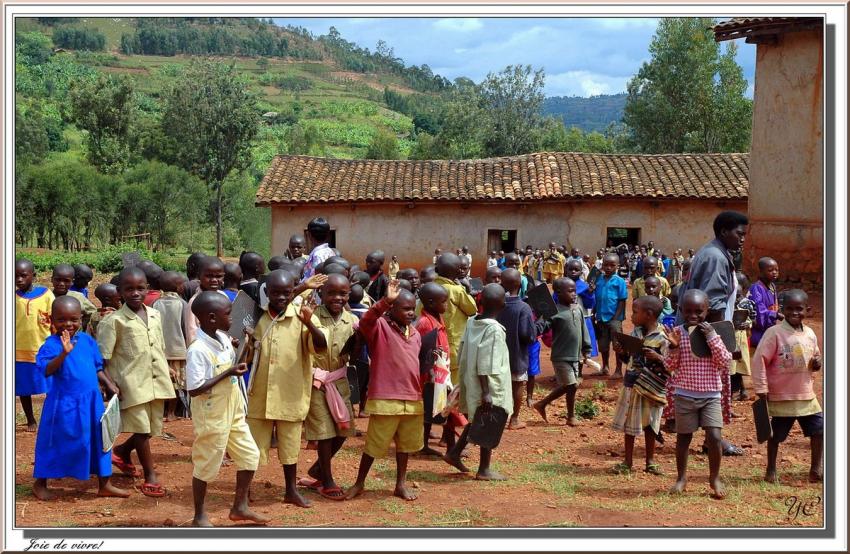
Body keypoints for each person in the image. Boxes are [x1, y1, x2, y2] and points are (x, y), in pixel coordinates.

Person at [31, 296, 129, 501]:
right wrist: (63, 354)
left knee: (99, 439)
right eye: (62, 320)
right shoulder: (51, 344)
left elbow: (97, 367)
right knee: (54, 441)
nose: (68, 324)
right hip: (64, 404)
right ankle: (40, 482)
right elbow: (47, 370)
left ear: (81, 319)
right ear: (51, 319)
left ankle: (105, 483)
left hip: (91, 402)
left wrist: (110, 385)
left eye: (73, 319)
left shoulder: (86, 340)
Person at [185, 292, 268, 527]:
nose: (232, 318)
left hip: (233, 407)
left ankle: (240, 507)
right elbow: (194, 388)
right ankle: (199, 515)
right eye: (228, 314)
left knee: (250, 455)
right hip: (212, 412)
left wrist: (244, 346)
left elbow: (235, 364)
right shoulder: (198, 349)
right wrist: (228, 372)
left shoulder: (222, 338)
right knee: (207, 461)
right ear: (211, 318)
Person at [245, 269, 327, 508]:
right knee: (252, 446)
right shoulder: (257, 317)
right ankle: (245, 489)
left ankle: (290, 490)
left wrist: (310, 323)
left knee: (290, 446)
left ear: (293, 292)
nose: (281, 297)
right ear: (266, 293)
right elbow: (248, 352)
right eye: (275, 293)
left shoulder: (303, 315)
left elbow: (319, 347)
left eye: (286, 293)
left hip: (290, 393)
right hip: (259, 394)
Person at [97, 267, 176, 498]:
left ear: (148, 289)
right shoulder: (114, 321)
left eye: (140, 288)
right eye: (129, 289)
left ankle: (121, 451)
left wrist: (167, 367)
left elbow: (158, 345)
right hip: (131, 384)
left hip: (157, 379)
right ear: (120, 292)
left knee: (152, 428)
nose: (135, 293)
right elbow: (102, 359)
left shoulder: (154, 314)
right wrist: (109, 384)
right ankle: (150, 476)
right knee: (142, 429)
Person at [345, 281, 423, 501]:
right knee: (374, 445)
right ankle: (359, 483)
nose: (410, 313)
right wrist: (385, 300)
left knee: (405, 446)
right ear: (391, 309)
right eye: (405, 309)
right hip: (386, 398)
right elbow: (367, 320)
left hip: (412, 397)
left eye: (412, 309)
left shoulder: (415, 334)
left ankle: (400, 484)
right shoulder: (379, 327)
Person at [664, 290, 733, 499]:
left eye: (699, 311)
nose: (693, 316)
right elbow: (669, 365)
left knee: (714, 435)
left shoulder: (714, 333)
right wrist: (674, 347)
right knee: (684, 437)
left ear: (707, 311)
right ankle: (682, 478)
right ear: (681, 310)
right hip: (684, 395)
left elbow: (725, 361)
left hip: (711, 394)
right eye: (688, 311)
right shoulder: (676, 333)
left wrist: (711, 337)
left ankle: (714, 478)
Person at [751, 289, 823, 484]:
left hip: (806, 395)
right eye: (789, 309)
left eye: (799, 309)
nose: (794, 313)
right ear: (782, 310)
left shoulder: (809, 333)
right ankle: (771, 469)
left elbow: (814, 356)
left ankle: (816, 469)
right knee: (776, 436)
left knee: (819, 430)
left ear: (807, 310)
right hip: (782, 395)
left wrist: (817, 362)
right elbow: (759, 360)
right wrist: (761, 388)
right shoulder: (774, 333)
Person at [443, 283, 512, 480]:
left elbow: (463, 350)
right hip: (489, 384)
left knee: (477, 419)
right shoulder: (495, 330)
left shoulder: (472, 321)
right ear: (502, 304)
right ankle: (484, 469)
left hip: (471, 380)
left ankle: (454, 452)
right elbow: (486, 363)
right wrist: (486, 391)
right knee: (490, 421)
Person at [299, 274, 357, 501]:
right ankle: (327, 480)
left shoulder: (351, 319)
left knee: (343, 430)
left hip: (339, 381)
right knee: (324, 432)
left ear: (348, 295)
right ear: (321, 294)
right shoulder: (311, 315)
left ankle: (318, 470)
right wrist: (308, 322)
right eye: (331, 293)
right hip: (316, 382)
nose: (337, 298)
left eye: (342, 294)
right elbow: (318, 345)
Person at [609, 296, 670, 475]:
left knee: (650, 424)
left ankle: (650, 461)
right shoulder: (635, 333)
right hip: (632, 383)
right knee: (629, 424)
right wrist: (621, 353)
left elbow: (670, 364)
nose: (631, 316)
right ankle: (627, 461)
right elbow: (629, 359)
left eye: (635, 312)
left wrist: (657, 357)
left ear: (649, 315)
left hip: (651, 388)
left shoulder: (662, 337)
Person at [532, 278, 591, 426]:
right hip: (561, 355)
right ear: (558, 292)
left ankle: (571, 416)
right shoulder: (554, 312)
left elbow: (584, 330)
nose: (574, 294)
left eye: (574, 291)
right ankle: (542, 403)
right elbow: (542, 328)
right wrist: (540, 318)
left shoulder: (577, 309)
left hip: (576, 355)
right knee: (570, 384)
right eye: (570, 291)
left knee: (573, 386)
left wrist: (587, 348)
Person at [678, 211, 749, 323]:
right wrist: (717, 336)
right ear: (724, 232)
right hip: (705, 332)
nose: (743, 239)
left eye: (744, 235)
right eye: (739, 234)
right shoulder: (716, 258)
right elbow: (714, 305)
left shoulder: (712, 251)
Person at [15, 258, 55, 432]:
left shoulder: (46, 294)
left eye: (23, 276)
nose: (19, 280)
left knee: (51, 387)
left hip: (43, 349)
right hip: (18, 351)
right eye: (15, 276)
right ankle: (30, 420)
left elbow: (55, 318)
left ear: (33, 275)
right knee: (23, 387)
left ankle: (51, 418)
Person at [496, 269, 536, 430]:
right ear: (520, 283)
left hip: (499, 354)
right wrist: (539, 324)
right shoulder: (523, 307)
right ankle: (514, 419)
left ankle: (499, 419)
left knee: (500, 387)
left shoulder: (497, 304)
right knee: (518, 384)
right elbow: (528, 335)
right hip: (517, 354)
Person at [415, 282, 451, 457]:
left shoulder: (437, 318)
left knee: (433, 408)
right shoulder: (425, 323)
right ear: (430, 303)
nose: (446, 305)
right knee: (429, 406)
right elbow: (425, 350)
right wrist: (429, 371)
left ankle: (425, 443)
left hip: (441, 371)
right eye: (443, 301)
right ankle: (423, 444)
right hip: (430, 374)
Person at [433, 253, 478, 388]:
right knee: (454, 381)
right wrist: (467, 290)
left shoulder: (430, 288)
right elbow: (472, 309)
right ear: (458, 271)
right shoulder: (456, 290)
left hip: (434, 342)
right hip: (454, 344)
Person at [153, 271, 189, 422]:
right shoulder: (182, 304)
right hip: (178, 350)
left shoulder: (155, 303)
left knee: (163, 381)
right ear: (178, 287)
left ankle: (162, 412)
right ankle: (171, 413)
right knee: (177, 384)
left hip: (160, 350)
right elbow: (186, 327)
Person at [593, 253, 628, 377]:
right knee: (603, 345)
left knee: (617, 345)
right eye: (606, 265)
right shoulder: (599, 280)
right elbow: (596, 298)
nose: (608, 268)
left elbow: (622, 300)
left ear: (617, 266)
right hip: (601, 317)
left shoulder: (619, 281)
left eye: (612, 265)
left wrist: (616, 318)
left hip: (614, 318)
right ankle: (605, 367)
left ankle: (618, 370)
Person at [184, 257, 229, 346]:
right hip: (205, 352)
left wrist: (231, 339)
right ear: (199, 276)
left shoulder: (223, 296)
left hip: (224, 349)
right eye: (209, 276)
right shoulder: (195, 302)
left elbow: (228, 324)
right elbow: (192, 333)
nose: (214, 280)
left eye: (219, 276)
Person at [731, 272, 756, 402]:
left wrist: (748, 324)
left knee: (739, 364)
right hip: (730, 336)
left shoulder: (748, 303)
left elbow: (753, 319)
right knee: (731, 365)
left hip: (741, 337)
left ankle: (739, 391)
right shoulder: (728, 303)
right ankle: (738, 391)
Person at [749, 257, 782, 351]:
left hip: (770, 328)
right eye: (770, 270)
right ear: (761, 272)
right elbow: (759, 312)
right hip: (759, 332)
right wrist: (775, 314)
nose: (774, 272)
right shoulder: (757, 289)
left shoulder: (772, 286)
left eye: (777, 270)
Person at [52, 263, 97, 333]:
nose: (61, 284)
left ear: (72, 282)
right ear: (52, 279)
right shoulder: (47, 296)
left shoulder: (78, 297)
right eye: (58, 280)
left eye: (66, 281)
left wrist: (82, 325)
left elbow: (93, 312)